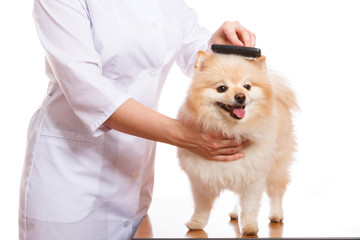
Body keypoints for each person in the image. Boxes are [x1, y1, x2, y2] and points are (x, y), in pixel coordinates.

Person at [19, 0, 256, 239]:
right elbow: (87, 89)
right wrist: (185, 136)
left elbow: (196, 54)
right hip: (70, 179)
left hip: (134, 186)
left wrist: (218, 47)